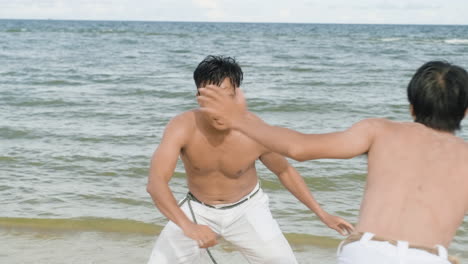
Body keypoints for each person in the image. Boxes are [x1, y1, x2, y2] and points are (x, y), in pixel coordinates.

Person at [197, 60, 468, 264]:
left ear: (412, 106)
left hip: (365, 252)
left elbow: (298, 148)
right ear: (465, 111)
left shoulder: (379, 130)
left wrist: (239, 120)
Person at [146, 55, 353, 264]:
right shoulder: (182, 126)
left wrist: (322, 214)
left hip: (247, 209)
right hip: (197, 209)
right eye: (210, 100)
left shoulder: (254, 130)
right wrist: (188, 225)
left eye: (226, 98)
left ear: (236, 96)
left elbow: (284, 171)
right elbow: (156, 183)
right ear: (198, 96)